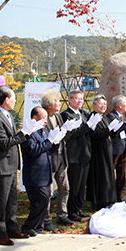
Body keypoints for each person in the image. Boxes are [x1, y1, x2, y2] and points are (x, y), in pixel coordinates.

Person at [0, 85, 42, 246]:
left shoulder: (8, 115)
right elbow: (3, 143)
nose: (15, 101)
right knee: (1, 201)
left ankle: (12, 228)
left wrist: (26, 131)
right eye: (13, 98)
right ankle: (0, 232)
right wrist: (23, 133)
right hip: (1, 165)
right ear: (6, 99)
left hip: (11, 164)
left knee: (12, 200)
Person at [21, 106, 67, 236]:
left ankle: (38, 226)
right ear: (35, 118)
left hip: (45, 172)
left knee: (44, 200)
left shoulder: (44, 132)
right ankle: (28, 226)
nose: (46, 120)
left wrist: (55, 141)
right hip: (34, 174)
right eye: (44, 117)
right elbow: (34, 150)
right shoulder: (28, 133)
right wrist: (49, 141)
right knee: (40, 201)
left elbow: (47, 149)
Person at [41, 90, 82, 226]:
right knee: (48, 191)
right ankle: (46, 218)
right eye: (57, 101)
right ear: (49, 104)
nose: (59, 103)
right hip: (49, 158)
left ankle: (62, 214)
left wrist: (67, 130)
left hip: (61, 156)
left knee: (65, 187)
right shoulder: (43, 117)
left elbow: (64, 138)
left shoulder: (58, 116)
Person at [61, 90, 92, 221]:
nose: (80, 101)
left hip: (85, 153)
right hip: (74, 154)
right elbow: (71, 134)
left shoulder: (83, 114)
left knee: (81, 185)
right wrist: (87, 126)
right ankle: (72, 211)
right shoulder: (66, 115)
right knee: (74, 185)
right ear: (70, 100)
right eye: (77, 99)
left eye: (82, 99)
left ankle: (79, 209)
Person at [86, 95, 116, 210]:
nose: (104, 106)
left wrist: (116, 128)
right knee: (99, 175)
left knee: (108, 175)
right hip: (97, 151)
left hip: (107, 150)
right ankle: (98, 201)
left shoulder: (104, 117)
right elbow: (95, 134)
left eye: (105, 104)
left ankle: (108, 198)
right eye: (101, 104)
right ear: (94, 105)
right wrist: (108, 129)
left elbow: (109, 134)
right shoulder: (92, 117)